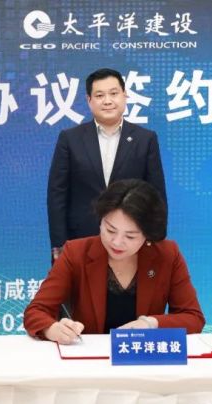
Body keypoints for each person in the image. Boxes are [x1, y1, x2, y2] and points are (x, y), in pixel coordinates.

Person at [25, 179, 204, 344]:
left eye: (130, 236)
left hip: (144, 357)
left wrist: (150, 323)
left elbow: (193, 317)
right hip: (90, 358)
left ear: (148, 235)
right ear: (100, 222)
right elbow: (36, 311)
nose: (117, 242)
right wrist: (51, 329)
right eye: (110, 230)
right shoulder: (76, 252)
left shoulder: (167, 254)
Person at [47, 68, 167, 261]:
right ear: (89, 100)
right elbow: (57, 195)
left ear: (125, 96)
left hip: (130, 240)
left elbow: (157, 195)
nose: (107, 101)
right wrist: (59, 246)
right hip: (81, 240)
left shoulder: (145, 139)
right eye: (99, 95)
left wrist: (155, 241)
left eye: (113, 93)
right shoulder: (70, 139)